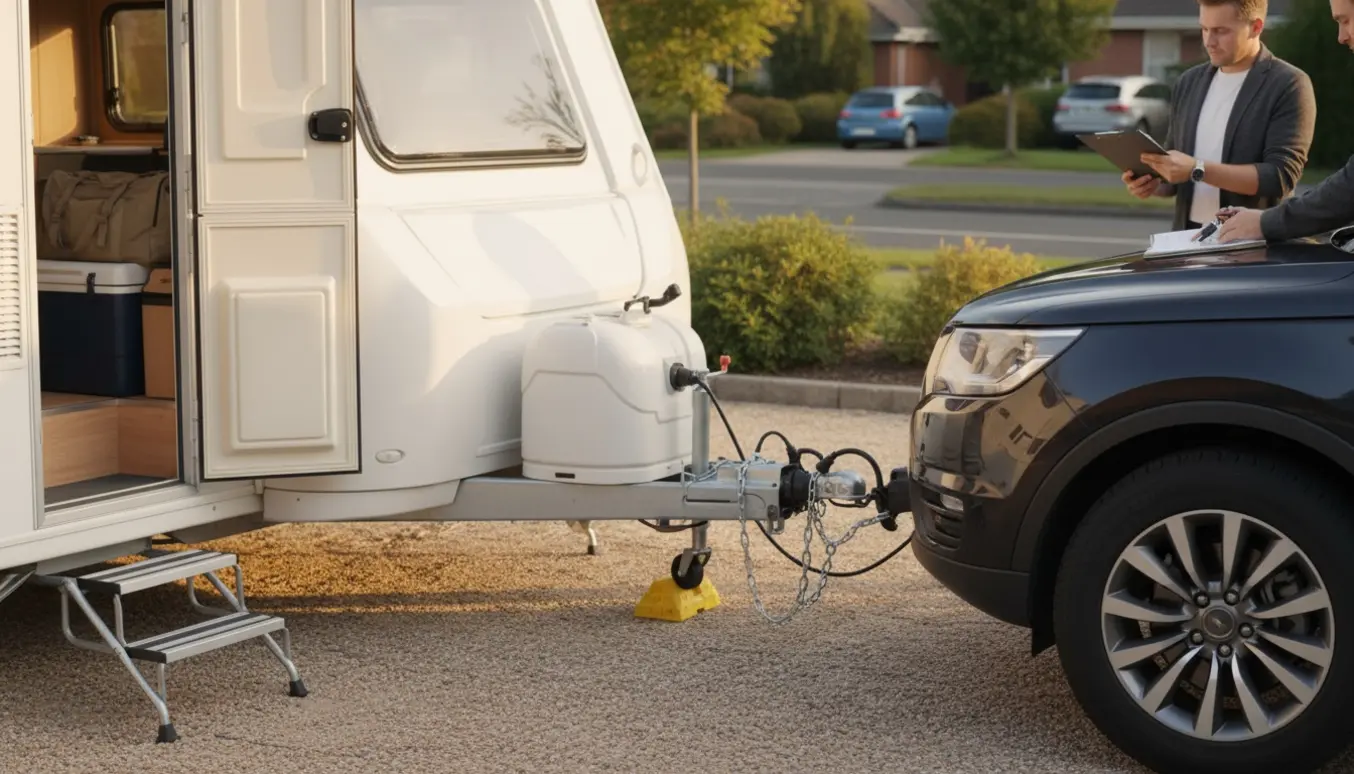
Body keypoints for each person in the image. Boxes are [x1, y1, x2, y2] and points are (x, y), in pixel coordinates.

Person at [1121, 0, 1316, 232]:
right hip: (1187, 237)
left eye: (1221, 31)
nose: (1209, 42)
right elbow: (1176, 170)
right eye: (1204, 29)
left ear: (1256, 27)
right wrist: (1154, 183)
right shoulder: (1188, 82)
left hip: (1252, 244)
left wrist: (1197, 168)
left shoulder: (1289, 84)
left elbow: (1279, 177)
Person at [1216, 0, 1354, 243]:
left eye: (1346, 21)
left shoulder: (1288, 83)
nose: (1341, 37)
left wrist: (1265, 222)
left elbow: (1348, 190)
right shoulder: (1190, 83)